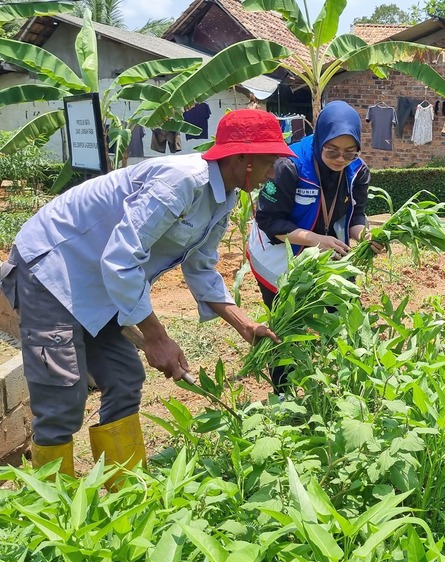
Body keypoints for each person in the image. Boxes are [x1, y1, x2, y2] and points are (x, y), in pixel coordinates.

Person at [0, 109, 292, 478]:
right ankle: (54, 507)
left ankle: (125, 490)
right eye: (270, 161)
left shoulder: (226, 196)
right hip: (50, 269)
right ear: (242, 159)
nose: (273, 172)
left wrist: (245, 324)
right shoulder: (180, 182)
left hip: (99, 281)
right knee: (63, 394)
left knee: (124, 377)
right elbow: (122, 259)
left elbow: (200, 266)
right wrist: (157, 337)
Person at [247, 100, 380, 393]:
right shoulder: (289, 165)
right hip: (277, 249)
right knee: (286, 321)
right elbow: (269, 220)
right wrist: (314, 240)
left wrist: (366, 236)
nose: (340, 159)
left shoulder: (357, 170)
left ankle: (336, 386)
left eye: (349, 152)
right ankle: (284, 394)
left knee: (342, 310)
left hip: (325, 247)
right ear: (319, 138)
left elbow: (355, 216)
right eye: (332, 151)